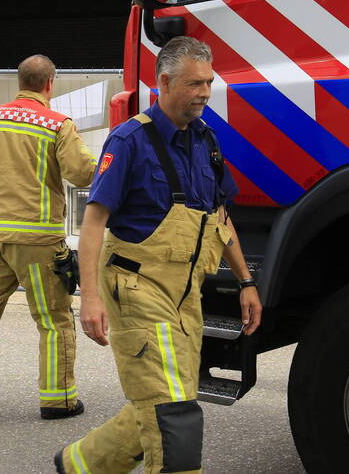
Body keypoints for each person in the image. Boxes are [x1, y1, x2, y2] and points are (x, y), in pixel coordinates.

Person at [55, 36, 262, 474]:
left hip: (185, 296)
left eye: (208, 82)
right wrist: (88, 297)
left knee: (168, 397)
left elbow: (219, 218)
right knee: (173, 415)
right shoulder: (129, 140)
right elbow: (93, 222)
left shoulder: (206, 141)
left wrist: (246, 281)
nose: (204, 93)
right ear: (163, 82)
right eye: (193, 84)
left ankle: (78, 465)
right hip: (136, 286)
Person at [0, 54, 98, 422]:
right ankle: (58, 401)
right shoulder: (57, 124)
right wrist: (112, 162)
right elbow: (81, 173)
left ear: (19, 81)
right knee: (53, 320)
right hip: (40, 245)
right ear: (49, 84)